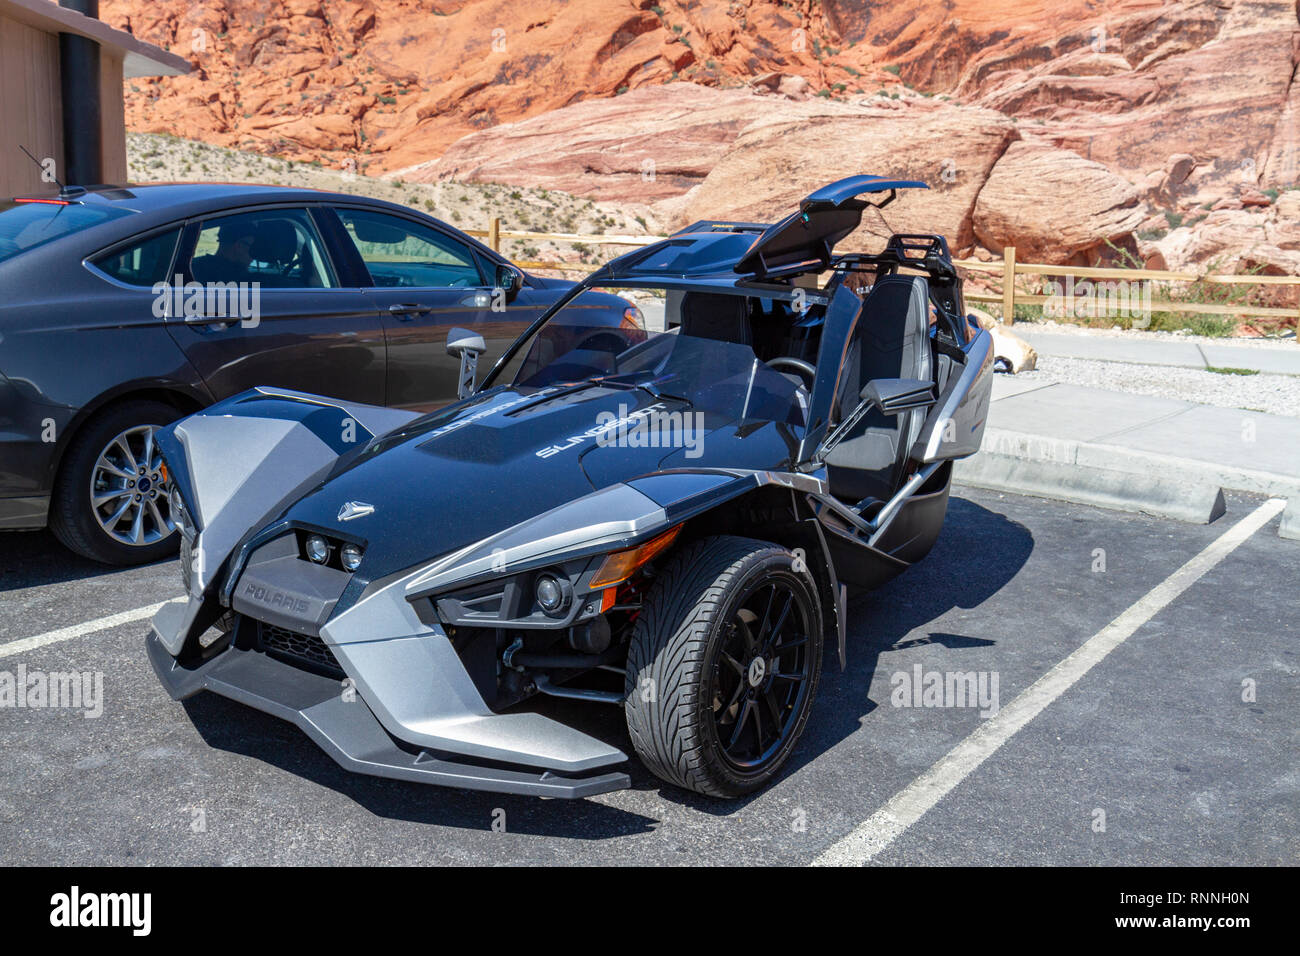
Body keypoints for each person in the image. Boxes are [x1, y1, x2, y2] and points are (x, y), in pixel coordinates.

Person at [190, 221, 256, 283]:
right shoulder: (241, 279)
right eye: (253, 248)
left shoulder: (195, 268)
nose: (254, 256)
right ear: (239, 246)